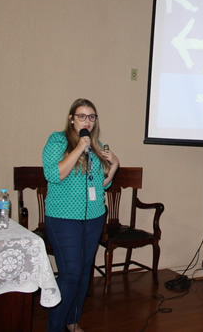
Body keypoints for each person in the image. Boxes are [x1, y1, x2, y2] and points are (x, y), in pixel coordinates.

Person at [42, 98, 119, 332]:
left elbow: (102, 184)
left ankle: (73, 320)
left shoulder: (97, 144)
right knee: (71, 272)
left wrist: (114, 166)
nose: (87, 121)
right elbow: (54, 174)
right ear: (71, 119)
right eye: (82, 116)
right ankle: (55, 327)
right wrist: (78, 148)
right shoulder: (57, 141)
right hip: (63, 218)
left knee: (85, 270)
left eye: (91, 116)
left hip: (94, 217)